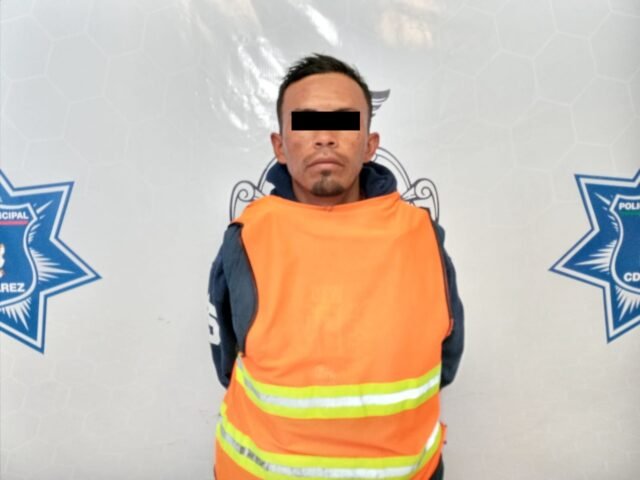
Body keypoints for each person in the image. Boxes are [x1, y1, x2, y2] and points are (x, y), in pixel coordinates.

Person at [208, 53, 464, 480]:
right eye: (305, 123)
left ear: (370, 144)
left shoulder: (422, 235)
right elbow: (229, 360)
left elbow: (444, 360)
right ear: (279, 146)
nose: (325, 138)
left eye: (344, 123)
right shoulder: (246, 237)